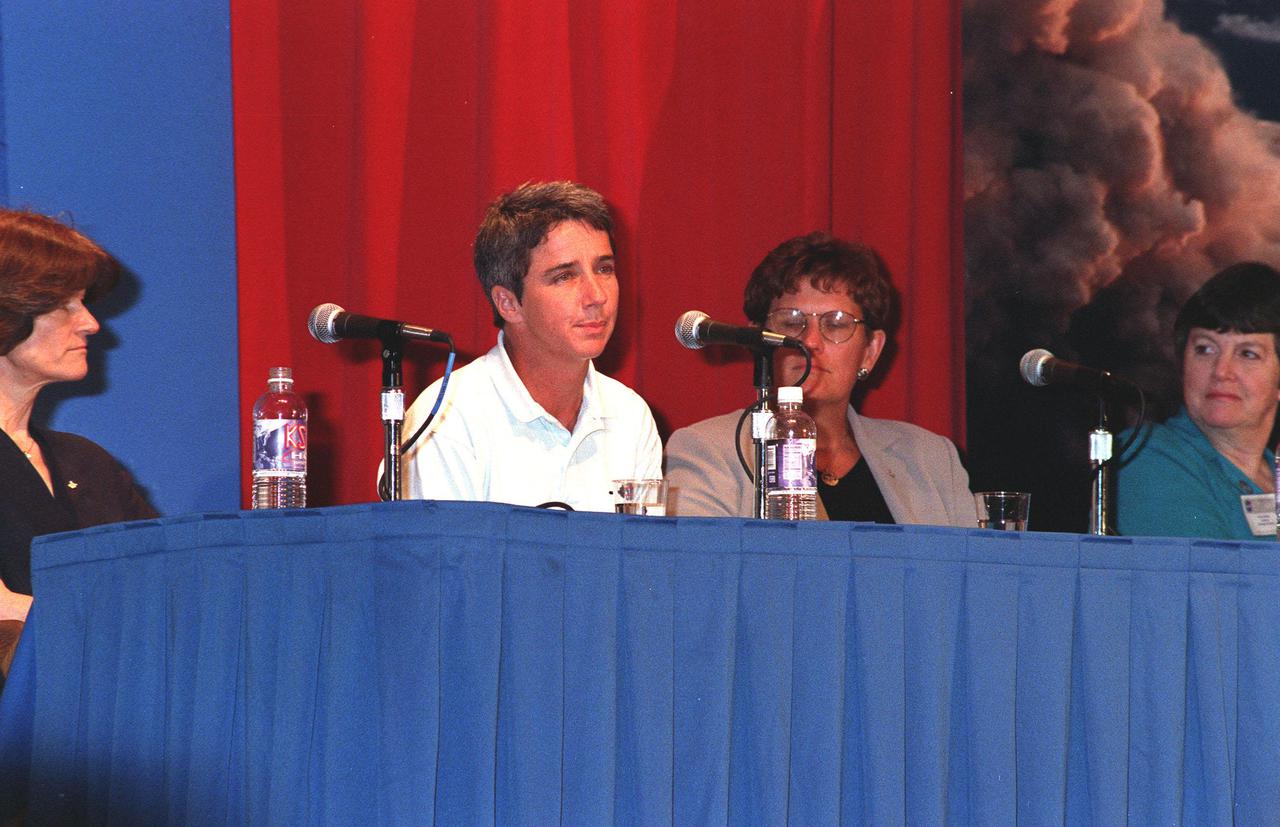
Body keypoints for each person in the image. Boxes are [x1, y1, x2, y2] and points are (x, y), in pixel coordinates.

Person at [665, 232, 976, 524]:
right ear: (758, 342)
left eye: (837, 324)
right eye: (791, 322)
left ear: (870, 351)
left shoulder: (933, 459)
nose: (810, 342)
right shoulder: (707, 451)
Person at [399, 181, 662, 511]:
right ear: (508, 303)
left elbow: (643, 559)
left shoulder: (630, 416)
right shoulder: (446, 420)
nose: (597, 296)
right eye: (565, 276)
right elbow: (447, 562)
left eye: (604, 269)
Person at [0, 209, 157, 624]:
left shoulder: (88, 465)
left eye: (84, 303)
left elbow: (161, 587)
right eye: (64, 305)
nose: (90, 323)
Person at [1116, 262, 1280, 540]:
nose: (1221, 371)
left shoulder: (1273, 474)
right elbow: (1208, 580)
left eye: (1248, 353)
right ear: (1182, 364)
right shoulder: (1148, 454)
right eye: (1205, 349)